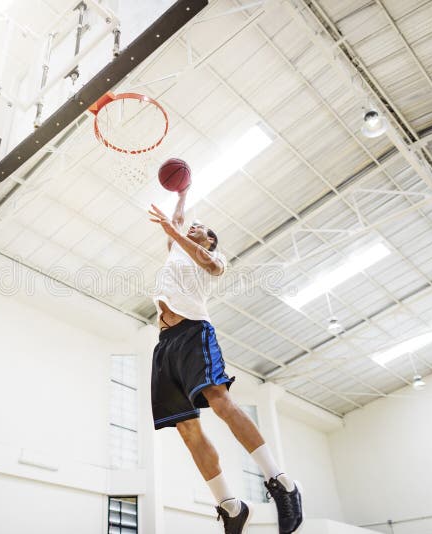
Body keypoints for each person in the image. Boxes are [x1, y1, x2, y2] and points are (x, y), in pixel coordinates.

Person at [147, 185, 303, 534]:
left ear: (210, 240)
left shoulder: (214, 260)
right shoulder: (175, 249)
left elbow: (206, 260)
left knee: (220, 402)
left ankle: (281, 481)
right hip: (165, 344)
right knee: (187, 429)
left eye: (199, 227)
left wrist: (175, 232)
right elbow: (176, 219)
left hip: (193, 333)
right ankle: (230, 506)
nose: (192, 226)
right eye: (190, 225)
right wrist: (183, 194)